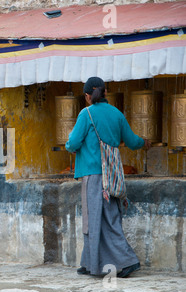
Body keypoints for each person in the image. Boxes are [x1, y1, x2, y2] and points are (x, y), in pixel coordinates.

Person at [65, 77, 151, 278]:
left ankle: (128, 261)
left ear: (87, 96)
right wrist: (144, 143)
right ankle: (89, 263)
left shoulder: (86, 114)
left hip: (93, 176)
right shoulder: (117, 114)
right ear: (105, 93)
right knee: (110, 217)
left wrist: (69, 146)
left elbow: (73, 142)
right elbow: (131, 141)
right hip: (113, 176)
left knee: (92, 219)